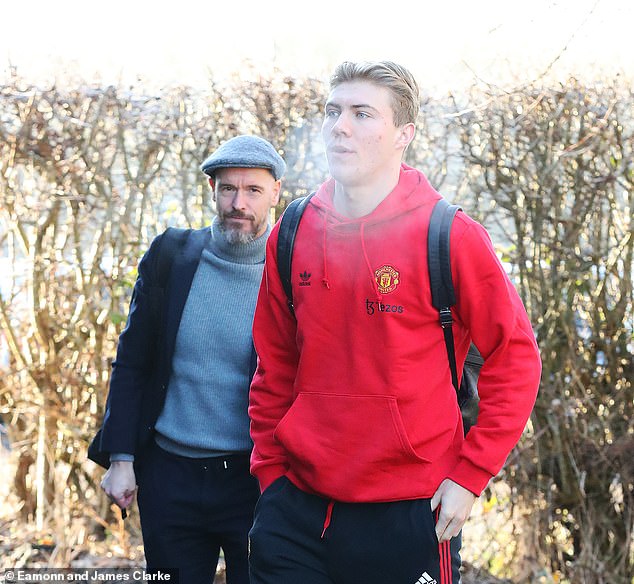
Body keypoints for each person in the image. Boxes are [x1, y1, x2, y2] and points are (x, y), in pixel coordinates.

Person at [248, 61, 541, 584]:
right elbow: (273, 364)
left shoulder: (448, 236)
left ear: (403, 134)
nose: (340, 125)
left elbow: (515, 356)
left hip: (408, 509)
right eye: (333, 111)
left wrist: (471, 476)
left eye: (363, 114)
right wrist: (270, 474)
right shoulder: (290, 231)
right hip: (296, 510)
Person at [94, 135, 285, 584]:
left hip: (254, 479)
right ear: (213, 192)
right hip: (170, 477)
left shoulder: (293, 274)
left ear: (276, 192)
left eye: (253, 190)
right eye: (228, 189)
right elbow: (133, 362)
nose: (239, 203)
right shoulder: (172, 257)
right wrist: (121, 456)